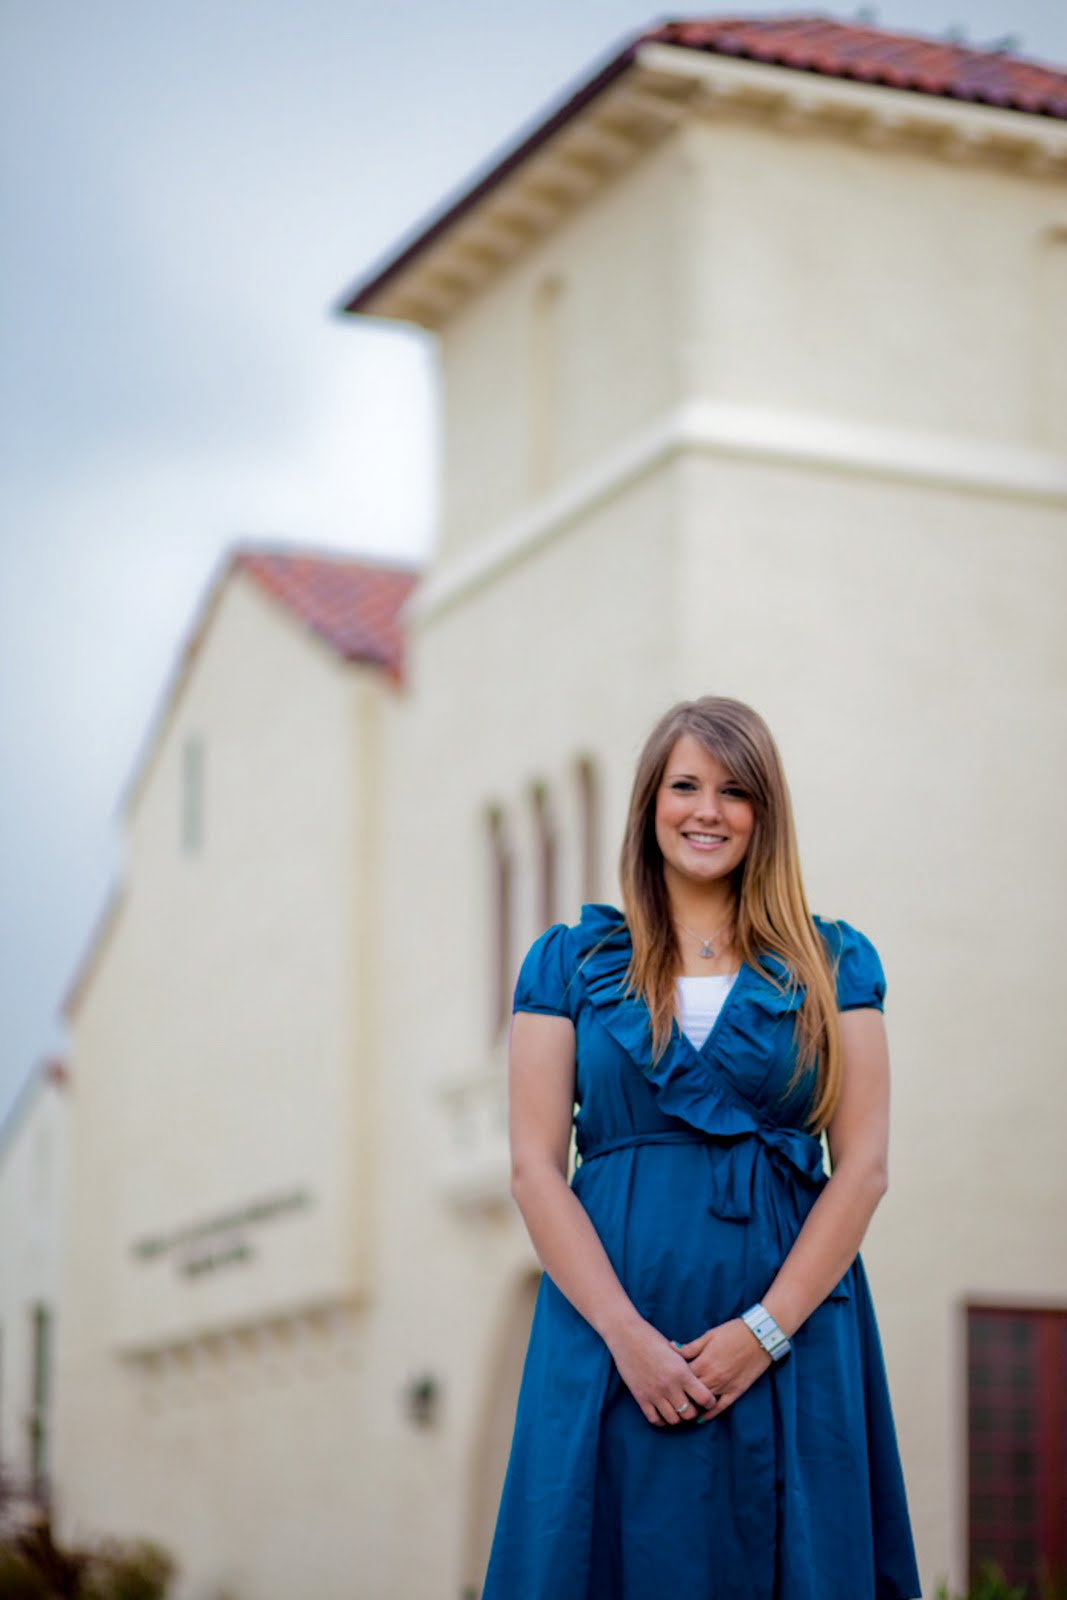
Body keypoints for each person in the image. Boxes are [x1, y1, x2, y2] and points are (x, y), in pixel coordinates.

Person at [480, 696, 921, 1600]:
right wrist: (627, 1338)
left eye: (733, 790)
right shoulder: (568, 964)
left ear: (765, 814)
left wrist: (762, 1334)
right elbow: (533, 1170)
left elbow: (863, 1170)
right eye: (684, 786)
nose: (706, 811)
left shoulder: (834, 966)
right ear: (650, 805)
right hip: (610, 1332)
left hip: (791, 1336)